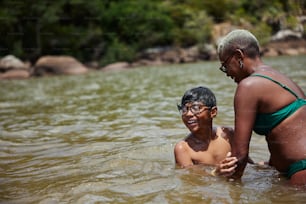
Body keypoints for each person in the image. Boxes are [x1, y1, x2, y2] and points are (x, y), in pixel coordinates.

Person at [216, 29, 306, 185]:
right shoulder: (279, 77)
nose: (227, 73)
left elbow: (240, 155)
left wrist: (222, 185)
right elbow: (286, 131)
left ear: (238, 56)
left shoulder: (248, 86)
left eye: (225, 65)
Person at [174, 86, 237, 173]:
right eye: (184, 109)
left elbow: (246, 162)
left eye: (195, 108)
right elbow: (191, 180)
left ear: (213, 112)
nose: (188, 114)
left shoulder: (227, 134)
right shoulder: (183, 149)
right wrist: (215, 173)